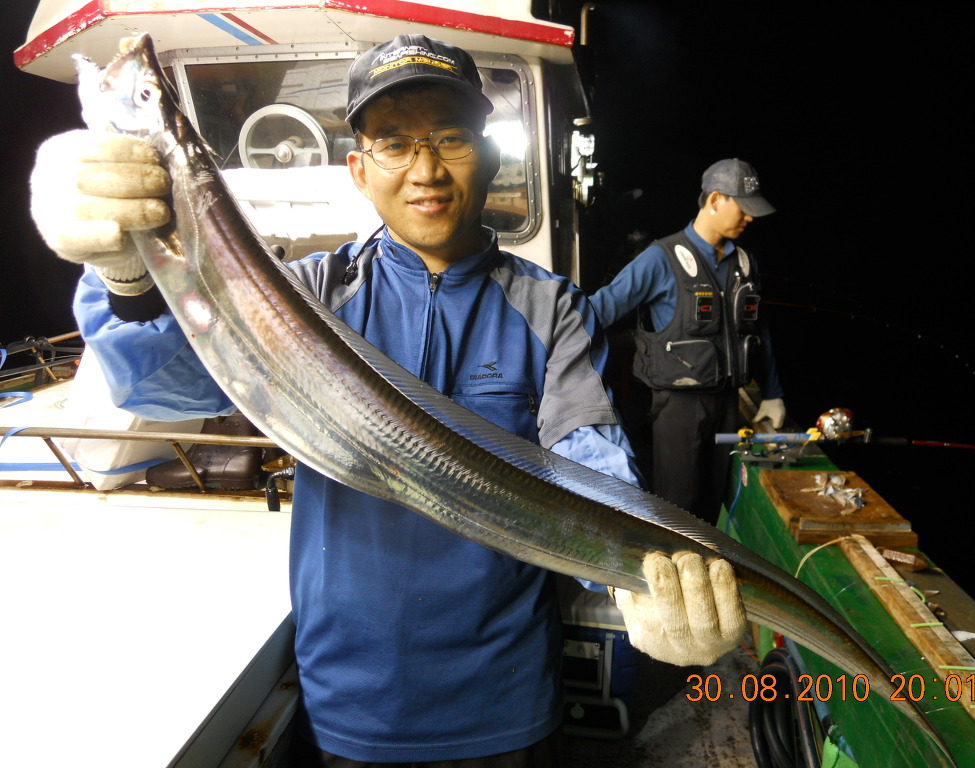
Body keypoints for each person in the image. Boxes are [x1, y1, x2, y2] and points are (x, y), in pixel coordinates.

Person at [30, 35, 746, 766]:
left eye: (450, 138)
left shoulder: (550, 307)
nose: (425, 170)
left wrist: (643, 580)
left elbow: (587, 457)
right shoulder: (308, 297)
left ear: (487, 156)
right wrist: (127, 280)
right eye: (395, 143)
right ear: (359, 169)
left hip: (507, 702)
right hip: (351, 703)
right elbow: (159, 383)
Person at [590, 158, 785, 525]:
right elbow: (597, 312)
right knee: (677, 507)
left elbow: (759, 331)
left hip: (728, 404)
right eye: (744, 208)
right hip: (679, 407)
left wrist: (773, 393)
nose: (750, 217)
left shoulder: (745, 263)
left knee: (713, 501)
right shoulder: (659, 259)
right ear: (715, 200)